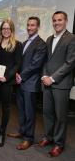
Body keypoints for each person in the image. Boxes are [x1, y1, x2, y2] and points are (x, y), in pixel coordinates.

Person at [7, 17, 47, 150]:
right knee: (21, 110)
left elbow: (35, 64)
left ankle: (28, 138)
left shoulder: (41, 44)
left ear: (38, 27)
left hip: (30, 83)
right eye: (28, 25)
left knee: (30, 112)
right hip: (20, 83)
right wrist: (16, 75)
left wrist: (21, 76)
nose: (30, 27)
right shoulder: (24, 43)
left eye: (33, 25)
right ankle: (22, 131)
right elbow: (20, 62)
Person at [39, 11, 75, 157]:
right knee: (47, 113)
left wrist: (52, 78)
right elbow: (46, 60)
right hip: (47, 82)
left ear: (66, 21)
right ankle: (49, 137)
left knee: (60, 116)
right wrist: (44, 75)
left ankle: (59, 144)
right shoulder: (49, 39)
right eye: (54, 20)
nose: (56, 23)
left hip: (61, 84)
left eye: (59, 20)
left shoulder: (72, 38)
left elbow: (70, 63)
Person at [0, 18, 22, 147]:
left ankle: (2, 132)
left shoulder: (17, 45)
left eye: (8, 28)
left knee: (6, 108)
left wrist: (7, 77)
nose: (6, 30)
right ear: (1, 30)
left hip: (6, 82)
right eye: (4, 28)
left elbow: (17, 64)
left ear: (12, 30)